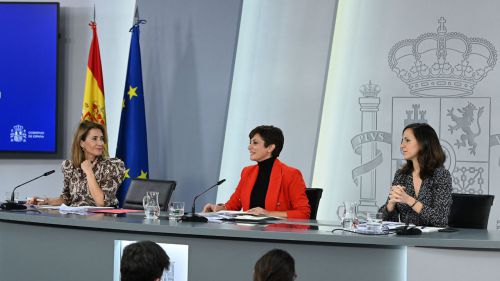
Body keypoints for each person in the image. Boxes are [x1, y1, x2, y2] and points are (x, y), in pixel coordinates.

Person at [203, 125, 311, 219]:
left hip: (277, 235)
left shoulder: (290, 174)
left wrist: (268, 213)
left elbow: (303, 213)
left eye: (255, 143)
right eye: (250, 143)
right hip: (247, 233)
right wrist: (219, 208)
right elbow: (233, 205)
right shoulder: (247, 172)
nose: (249, 147)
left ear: (270, 147)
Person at [27, 121, 125, 207]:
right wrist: (45, 201)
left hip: (104, 221)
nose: (100, 143)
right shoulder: (70, 166)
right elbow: (66, 199)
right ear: (82, 143)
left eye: (102, 138)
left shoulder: (112, 166)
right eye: (94, 139)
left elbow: (101, 202)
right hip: (76, 219)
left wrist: (89, 172)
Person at [379, 123, 452, 227]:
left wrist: (409, 200)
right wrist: (390, 206)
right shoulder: (401, 175)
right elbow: (389, 221)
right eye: (402, 140)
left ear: (423, 143)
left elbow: (440, 220)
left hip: (433, 240)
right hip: (406, 239)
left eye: (407, 140)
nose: (402, 145)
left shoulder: (441, 175)